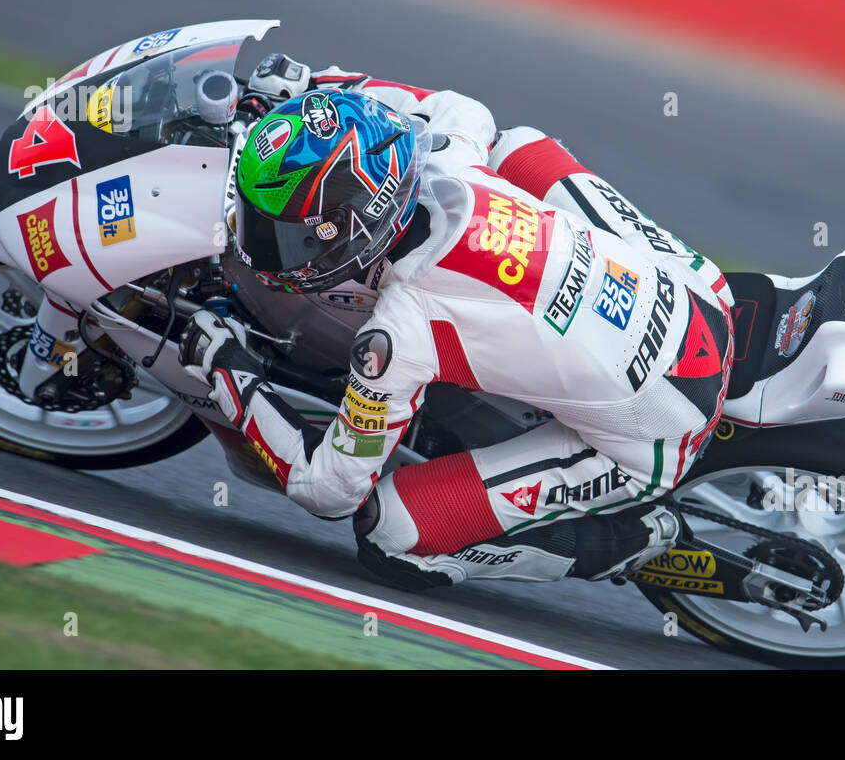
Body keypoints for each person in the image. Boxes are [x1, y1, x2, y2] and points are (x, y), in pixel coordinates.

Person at [180, 54, 735, 589]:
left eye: (286, 233)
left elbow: (328, 490)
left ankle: (620, 544)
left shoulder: (402, 330)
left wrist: (225, 367)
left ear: (348, 230)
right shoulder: (449, 156)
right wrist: (316, 86)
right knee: (518, 146)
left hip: (659, 431)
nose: (265, 244)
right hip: (699, 293)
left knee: (391, 530)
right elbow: (464, 108)